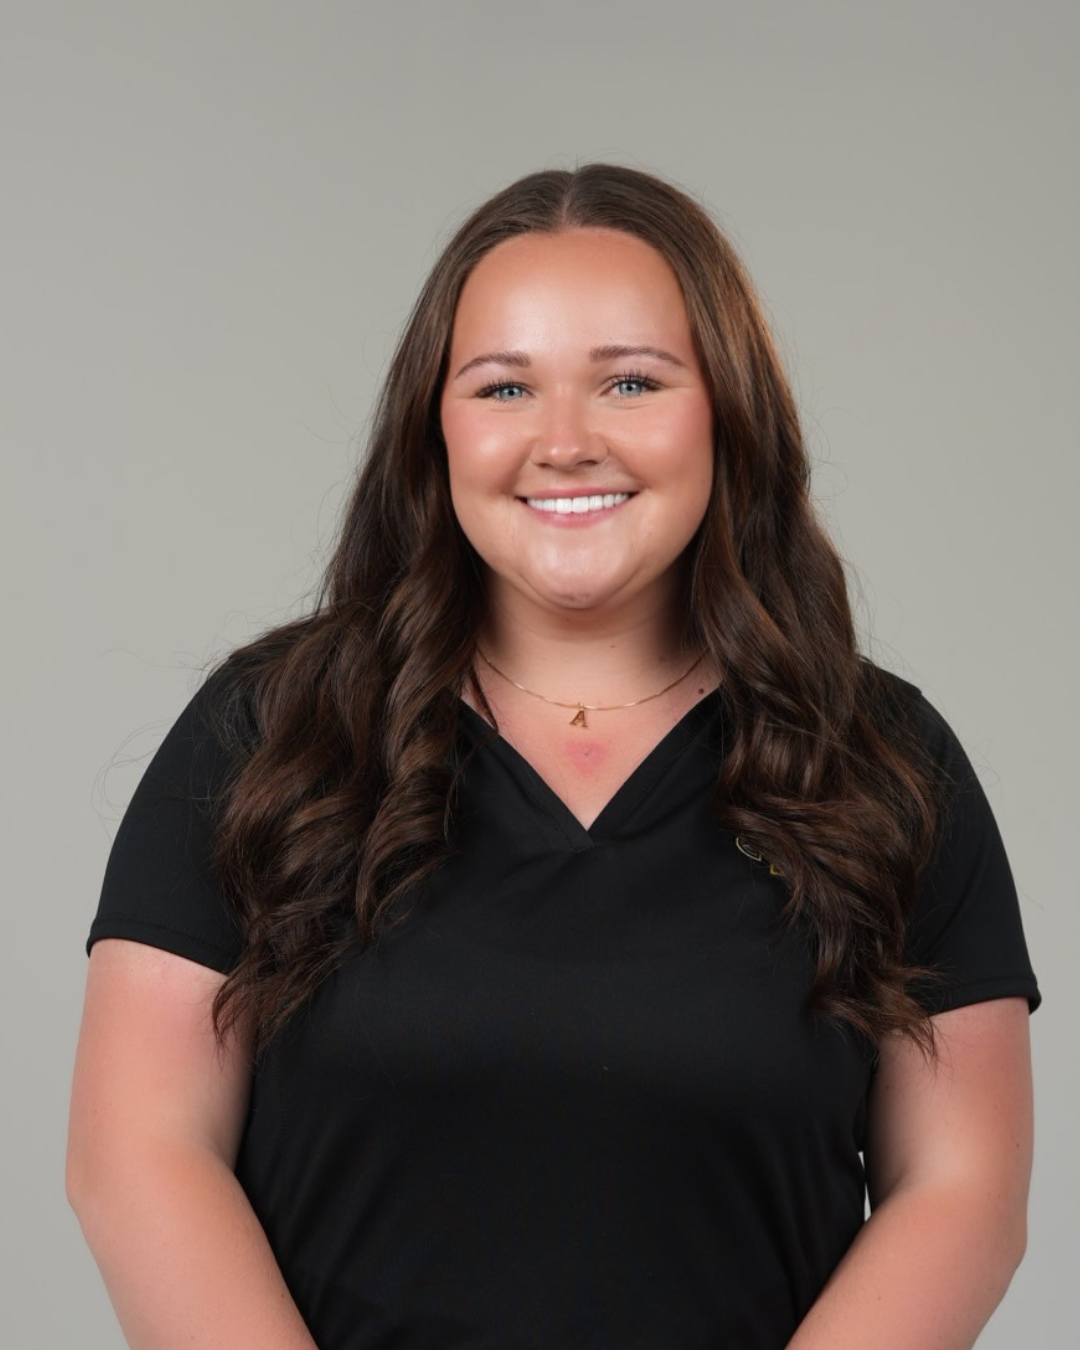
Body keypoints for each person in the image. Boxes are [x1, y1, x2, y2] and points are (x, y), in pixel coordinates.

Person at [67, 163, 1039, 1350]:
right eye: (504, 387)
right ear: (435, 426)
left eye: (631, 381)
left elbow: (962, 1194)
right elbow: (138, 1152)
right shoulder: (269, 733)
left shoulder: (883, 763)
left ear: (727, 410)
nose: (565, 442)